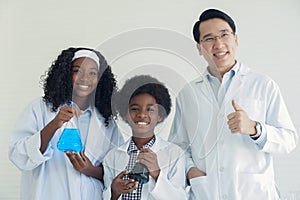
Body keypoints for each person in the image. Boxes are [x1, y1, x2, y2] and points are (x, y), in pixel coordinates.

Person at [168, 8, 298, 200]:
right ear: (199, 47)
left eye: (224, 35)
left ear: (235, 39)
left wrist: (255, 129)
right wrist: (190, 171)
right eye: (209, 38)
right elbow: (177, 147)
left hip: (254, 194)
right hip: (206, 193)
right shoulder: (188, 94)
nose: (218, 44)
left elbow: (289, 140)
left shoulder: (262, 85)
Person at [8, 47, 124, 200]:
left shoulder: (106, 122)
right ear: (66, 74)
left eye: (92, 73)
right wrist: (55, 123)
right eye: (78, 71)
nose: (85, 78)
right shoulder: (40, 109)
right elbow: (19, 155)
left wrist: (90, 170)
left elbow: (117, 170)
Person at [102, 75, 188, 200]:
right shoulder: (112, 156)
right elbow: (106, 195)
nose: (142, 114)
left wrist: (157, 173)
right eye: (135, 109)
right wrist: (114, 192)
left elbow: (180, 198)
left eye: (150, 109)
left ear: (160, 116)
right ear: (125, 114)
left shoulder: (174, 154)